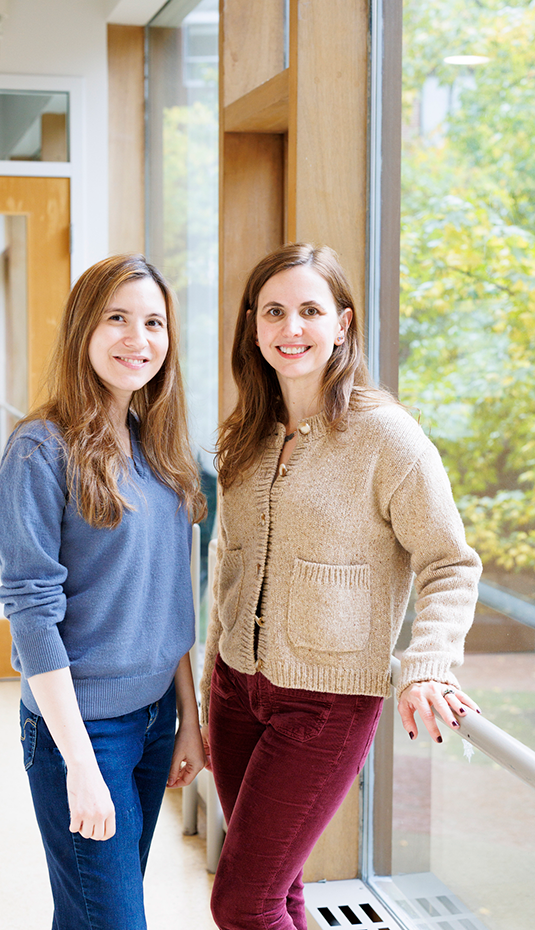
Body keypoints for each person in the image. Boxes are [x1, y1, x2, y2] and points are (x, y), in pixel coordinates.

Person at [199, 243, 482, 930]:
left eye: (308, 311)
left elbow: (448, 562)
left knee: (241, 902)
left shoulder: (387, 437)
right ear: (253, 326)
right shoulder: (246, 435)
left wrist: (428, 665)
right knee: (278, 888)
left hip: (325, 704)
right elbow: (226, 564)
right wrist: (212, 680)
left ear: (342, 323)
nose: (290, 328)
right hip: (236, 689)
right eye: (273, 311)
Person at [0, 254, 206, 930]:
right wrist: (78, 763)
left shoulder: (162, 453)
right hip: (80, 733)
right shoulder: (39, 449)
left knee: (90, 914)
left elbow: (171, 603)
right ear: (84, 328)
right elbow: (30, 614)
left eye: (152, 323)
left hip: (151, 723)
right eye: (117, 318)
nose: (136, 339)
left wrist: (187, 722)